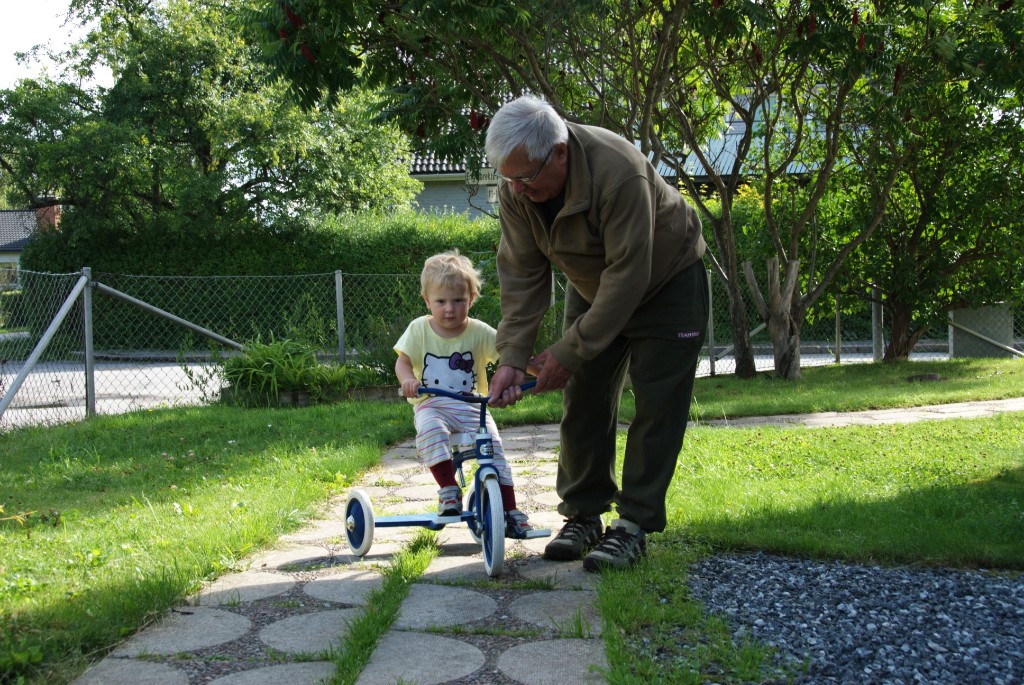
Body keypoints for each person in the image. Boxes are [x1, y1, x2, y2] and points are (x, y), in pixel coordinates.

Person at [485, 95, 709, 571]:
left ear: (560, 153)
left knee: (656, 404)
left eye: (526, 178)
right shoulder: (516, 190)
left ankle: (633, 524)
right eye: (509, 179)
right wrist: (510, 357)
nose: (517, 190)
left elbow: (629, 275)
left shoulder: (618, 171)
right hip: (593, 286)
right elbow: (522, 274)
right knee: (584, 397)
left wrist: (569, 350)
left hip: (666, 282)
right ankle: (584, 514)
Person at [394, 250, 534, 538]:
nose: (450, 309)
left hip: (472, 406)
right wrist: (408, 380)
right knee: (430, 430)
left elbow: (510, 355)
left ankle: (510, 510)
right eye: (441, 301)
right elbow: (403, 361)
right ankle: (448, 489)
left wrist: (536, 369)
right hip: (431, 403)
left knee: (494, 450)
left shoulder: (479, 332)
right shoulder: (419, 329)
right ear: (427, 301)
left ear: (471, 299)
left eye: (458, 300)